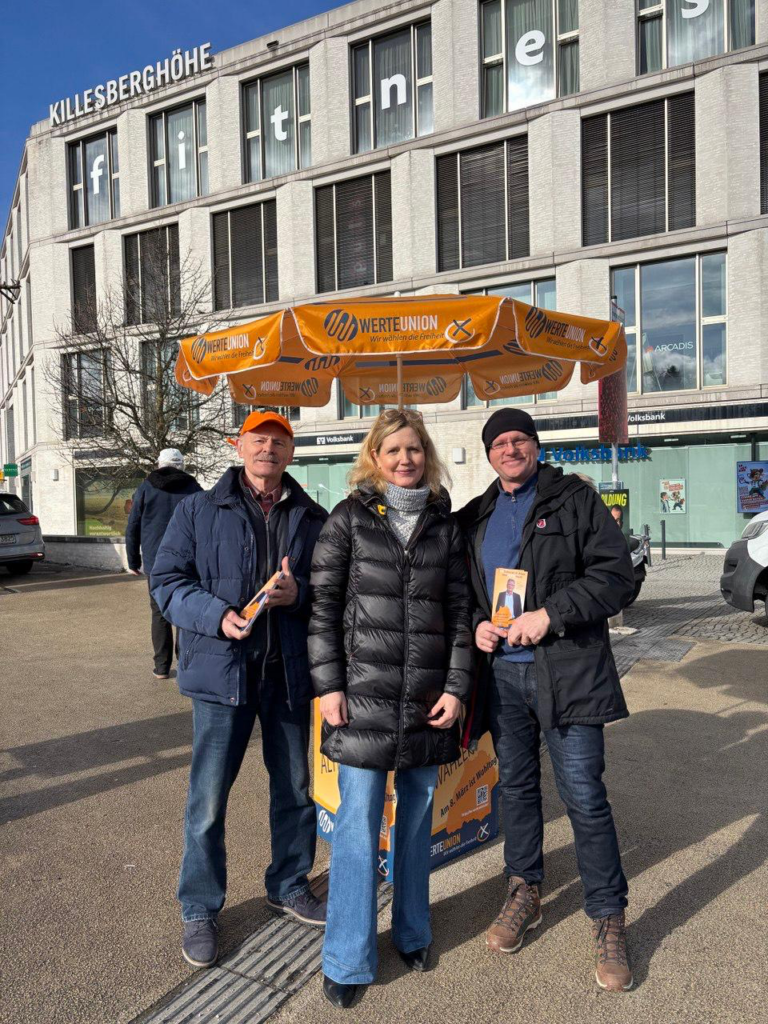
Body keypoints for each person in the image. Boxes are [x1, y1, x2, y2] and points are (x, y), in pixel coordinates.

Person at [457, 408, 635, 993]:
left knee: (584, 796)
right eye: (499, 443)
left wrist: (551, 614)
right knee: (516, 789)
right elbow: (467, 591)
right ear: (488, 455)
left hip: (568, 673)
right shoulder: (478, 514)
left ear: (535, 447)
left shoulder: (574, 500)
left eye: (520, 440)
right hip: (503, 679)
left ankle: (608, 916)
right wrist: (481, 624)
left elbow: (618, 575)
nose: (510, 449)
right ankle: (524, 889)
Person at [151, 411, 328, 969]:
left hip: (286, 674)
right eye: (258, 441)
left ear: (291, 452)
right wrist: (218, 614)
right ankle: (200, 907)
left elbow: (333, 586)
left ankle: (289, 882)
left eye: (279, 442)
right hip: (221, 675)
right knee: (207, 800)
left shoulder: (311, 516)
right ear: (239, 446)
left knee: (296, 788)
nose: (268, 451)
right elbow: (167, 583)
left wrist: (299, 593)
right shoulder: (197, 510)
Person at [309, 409, 473, 1009]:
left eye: (414, 449)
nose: (406, 460)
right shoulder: (347, 521)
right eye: (393, 450)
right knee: (356, 831)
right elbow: (322, 611)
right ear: (373, 457)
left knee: (415, 826)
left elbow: (461, 617)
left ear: (426, 456)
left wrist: (456, 689)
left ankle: (412, 932)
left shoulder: (444, 527)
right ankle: (347, 959)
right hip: (361, 703)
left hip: (428, 701)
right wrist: (329, 686)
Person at [125, 449, 201, 679]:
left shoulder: (146, 487)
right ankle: (186, 665)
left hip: (155, 561)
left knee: (159, 613)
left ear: (159, 464)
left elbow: (133, 526)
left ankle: (161, 668)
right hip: (188, 559)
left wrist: (133, 560)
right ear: (182, 465)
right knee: (185, 610)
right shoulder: (194, 488)